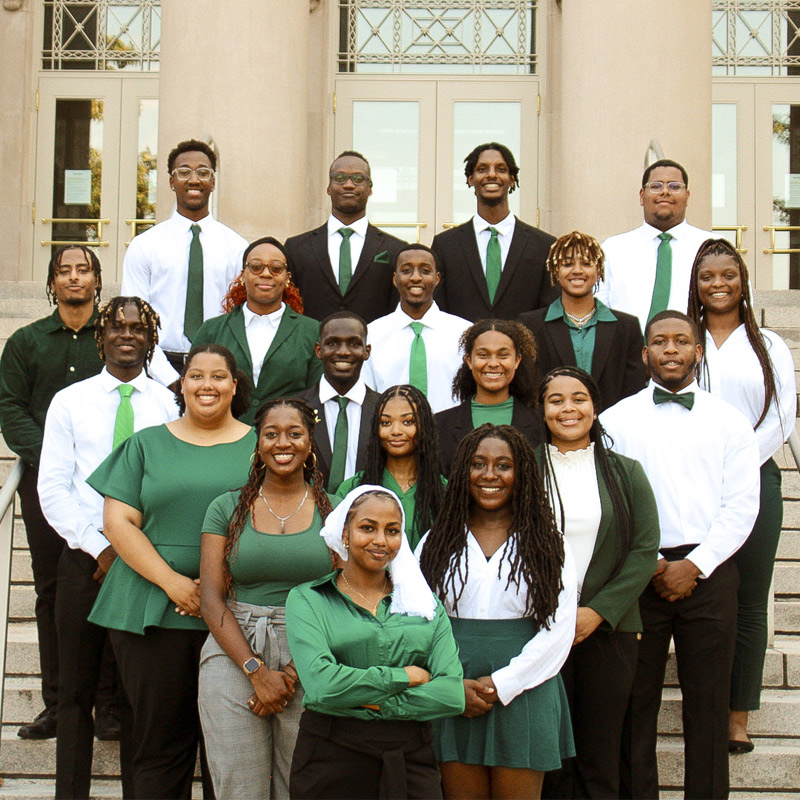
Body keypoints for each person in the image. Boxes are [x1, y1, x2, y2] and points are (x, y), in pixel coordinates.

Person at [600, 311, 760, 799]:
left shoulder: (729, 421)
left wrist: (697, 564)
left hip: (708, 572)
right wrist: (646, 563)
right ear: (645, 354)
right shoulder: (615, 420)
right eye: (660, 342)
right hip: (637, 574)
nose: (671, 349)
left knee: (709, 707)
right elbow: (610, 498)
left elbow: (742, 504)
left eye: (681, 341)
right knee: (635, 704)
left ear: (698, 351)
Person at [85, 344, 256, 799]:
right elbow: (117, 522)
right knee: (158, 745)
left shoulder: (264, 444)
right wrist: (174, 583)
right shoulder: (145, 443)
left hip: (240, 612)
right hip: (150, 608)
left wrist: (220, 586)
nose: (206, 385)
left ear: (234, 386)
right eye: (196, 375)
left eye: (219, 376)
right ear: (181, 384)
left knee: (235, 746)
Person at [38, 296, 178, 799]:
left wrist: (130, 548)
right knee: (75, 695)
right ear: (100, 337)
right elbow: (53, 486)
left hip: (142, 566)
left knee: (135, 698)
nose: (127, 334)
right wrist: (100, 546)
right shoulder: (69, 401)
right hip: (84, 561)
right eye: (116, 326)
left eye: (138, 328)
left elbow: (168, 485)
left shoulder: (168, 405)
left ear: (150, 339)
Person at [418, 424, 577, 800]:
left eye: (503, 465)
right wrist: (450, 684)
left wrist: (502, 684)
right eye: (478, 464)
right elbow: (418, 621)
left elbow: (559, 630)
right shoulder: (436, 540)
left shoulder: (549, 544)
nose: (490, 475)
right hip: (455, 687)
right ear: (462, 472)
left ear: (521, 474)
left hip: (527, 686)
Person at [687, 239, 797, 754]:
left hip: (755, 478)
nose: (718, 284)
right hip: (692, 484)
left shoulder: (769, 344)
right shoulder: (684, 340)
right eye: (707, 276)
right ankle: (702, 705)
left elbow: (781, 416)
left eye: (727, 274)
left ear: (743, 279)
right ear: (696, 283)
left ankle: (737, 716)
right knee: (703, 597)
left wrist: (735, 463)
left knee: (750, 602)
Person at [286, 484, 465, 799]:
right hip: (332, 757)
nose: (381, 540)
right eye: (368, 528)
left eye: (392, 530)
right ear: (345, 533)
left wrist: (367, 700)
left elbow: (451, 695)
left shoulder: (425, 606)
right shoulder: (308, 600)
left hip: (411, 759)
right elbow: (322, 686)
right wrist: (404, 676)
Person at [198, 398, 335, 799]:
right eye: (271, 434)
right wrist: (257, 671)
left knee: (304, 784)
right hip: (234, 649)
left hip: (312, 651)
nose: (282, 443)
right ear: (258, 443)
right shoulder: (226, 507)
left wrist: (292, 675)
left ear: (310, 443)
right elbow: (210, 599)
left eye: (295, 433)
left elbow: (343, 596)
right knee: (240, 787)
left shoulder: (333, 510)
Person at [0, 245, 108, 740]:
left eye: (83, 270)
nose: (73, 279)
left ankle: (110, 705)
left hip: (111, 490)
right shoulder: (26, 342)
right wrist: (55, 462)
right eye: (63, 271)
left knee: (111, 587)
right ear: (51, 283)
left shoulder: (114, 337)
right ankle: (59, 704)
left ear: (97, 280)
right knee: (50, 592)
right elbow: (10, 409)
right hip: (48, 488)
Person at [536, 367, 660, 799]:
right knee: (550, 759)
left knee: (600, 757)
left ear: (594, 406)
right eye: (556, 400)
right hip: (537, 629)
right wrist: (550, 612)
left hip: (609, 630)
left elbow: (645, 550)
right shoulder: (522, 469)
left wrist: (598, 612)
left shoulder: (627, 472)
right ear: (541, 409)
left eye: (579, 398)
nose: (568, 408)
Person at [121, 138, 248, 371]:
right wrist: (165, 376)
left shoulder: (237, 248)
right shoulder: (144, 246)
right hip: (157, 362)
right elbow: (135, 319)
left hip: (219, 363)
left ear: (213, 182)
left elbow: (241, 318)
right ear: (171, 181)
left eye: (203, 172)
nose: (193, 179)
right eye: (183, 172)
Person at [192, 236, 321, 424]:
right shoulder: (212, 330)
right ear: (243, 275)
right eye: (256, 267)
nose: (266, 274)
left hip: (285, 440)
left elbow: (317, 395)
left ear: (287, 278)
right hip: (221, 436)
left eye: (276, 268)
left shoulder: (312, 331)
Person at [518, 231, 646, 411]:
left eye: (586, 263)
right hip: (549, 430)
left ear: (599, 269)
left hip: (611, 431)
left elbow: (634, 392)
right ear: (555, 270)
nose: (577, 271)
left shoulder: (627, 327)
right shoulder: (530, 325)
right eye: (567, 264)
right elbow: (527, 390)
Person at [432, 142, 557, 322]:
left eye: (501, 169)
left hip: (522, 348)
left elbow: (549, 311)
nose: (492, 174)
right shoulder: (445, 245)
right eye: (482, 169)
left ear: (512, 179)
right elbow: (438, 310)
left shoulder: (543, 245)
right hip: (463, 348)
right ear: (470, 179)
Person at [285, 150, 406, 323]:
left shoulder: (395, 249)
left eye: (358, 179)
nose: (349, 185)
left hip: (374, 346)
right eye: (340, 178)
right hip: (312, 346)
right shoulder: (296, 248)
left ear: (370, 188)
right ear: (328, 188)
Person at [598, 159, 713, 334]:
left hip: (694, 356)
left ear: (687, 196)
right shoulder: (612, 249)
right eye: (656, 186)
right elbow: (598, 308)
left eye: (674, 186)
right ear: (642, 195)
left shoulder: (712, 247)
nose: (665, 191)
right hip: (627, 355)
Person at [336, 385, 446, 550]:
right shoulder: (353, 488)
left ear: (424, 427)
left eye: (408, 422)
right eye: (386, 422)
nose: (396, 431)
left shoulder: (444, 490)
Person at [362, 244, 470, 414]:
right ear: (395, 279)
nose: (416, 278)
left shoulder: (464, 333)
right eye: (406, 271)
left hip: (451, 434)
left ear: (437, 278)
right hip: (391, 434)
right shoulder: (372, 334)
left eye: (425, 271)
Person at [434, 319, 543, 475]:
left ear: (517, 360)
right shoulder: (439, 425)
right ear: (469, 360)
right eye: (483, 355)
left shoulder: (540, 422)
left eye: (503, 355)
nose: (493, 363)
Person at [297, 312, 379, 491]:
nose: (343, 351)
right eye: (333, 343)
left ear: (367, 351)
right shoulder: (295, 409)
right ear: (319, 350)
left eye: (354, 343)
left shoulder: (383, 410)